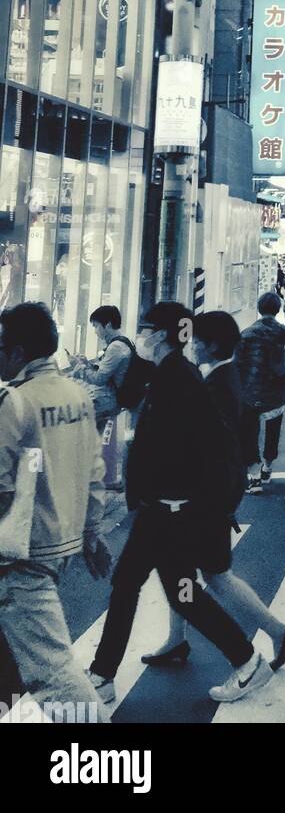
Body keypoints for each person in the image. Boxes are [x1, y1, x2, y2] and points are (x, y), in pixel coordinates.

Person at [85, 302, 273, 708]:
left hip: (170, 510)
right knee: (172, 592)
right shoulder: (171, 375)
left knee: (138, 586)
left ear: (164, 334)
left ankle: (102, 674)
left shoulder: (179, 380)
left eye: (146, 328)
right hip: (165, 508)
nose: (141, 336)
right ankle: (246, 660)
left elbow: (199, 447)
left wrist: (189, 502)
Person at [143, 311, 285, 675]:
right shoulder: (224, 378)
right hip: (213, 497)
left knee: (213, 576)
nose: (191, 345)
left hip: (205, 500)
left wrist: (213, 503)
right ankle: (177, 639)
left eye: (196, 340)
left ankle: (272, 636)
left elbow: (213, 452)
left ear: (211, 345)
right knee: (188, 572)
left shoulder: (216, 387)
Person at [0, 302, 112, 722]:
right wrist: (92, 535)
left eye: (1, 345)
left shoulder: (15, 401)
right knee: (18, 655)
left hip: (18, 556)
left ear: (17, 351)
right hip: (59, 546)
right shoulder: (78, 394)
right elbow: (94, 471)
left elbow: (2, 487)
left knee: (52, 672)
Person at [236, 292, 285, 495]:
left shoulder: (246, 333)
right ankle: (267, 467)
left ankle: (254, 477)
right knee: (273, 431)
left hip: (249, 393)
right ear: (278, 309)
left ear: (259, 308)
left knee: (249, 433)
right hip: (275, 391)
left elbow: (237, 362)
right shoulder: (283, 332)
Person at [71, 305, 135, 434]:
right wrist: (87, 364)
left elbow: (99, 378)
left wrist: (77, 367)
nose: (95, 331)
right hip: (111, 399)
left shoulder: (116, 347)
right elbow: (107, 372)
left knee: (74, 422)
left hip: (106, 401)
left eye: (96, 325)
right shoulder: (125, 341)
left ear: (108, 325)